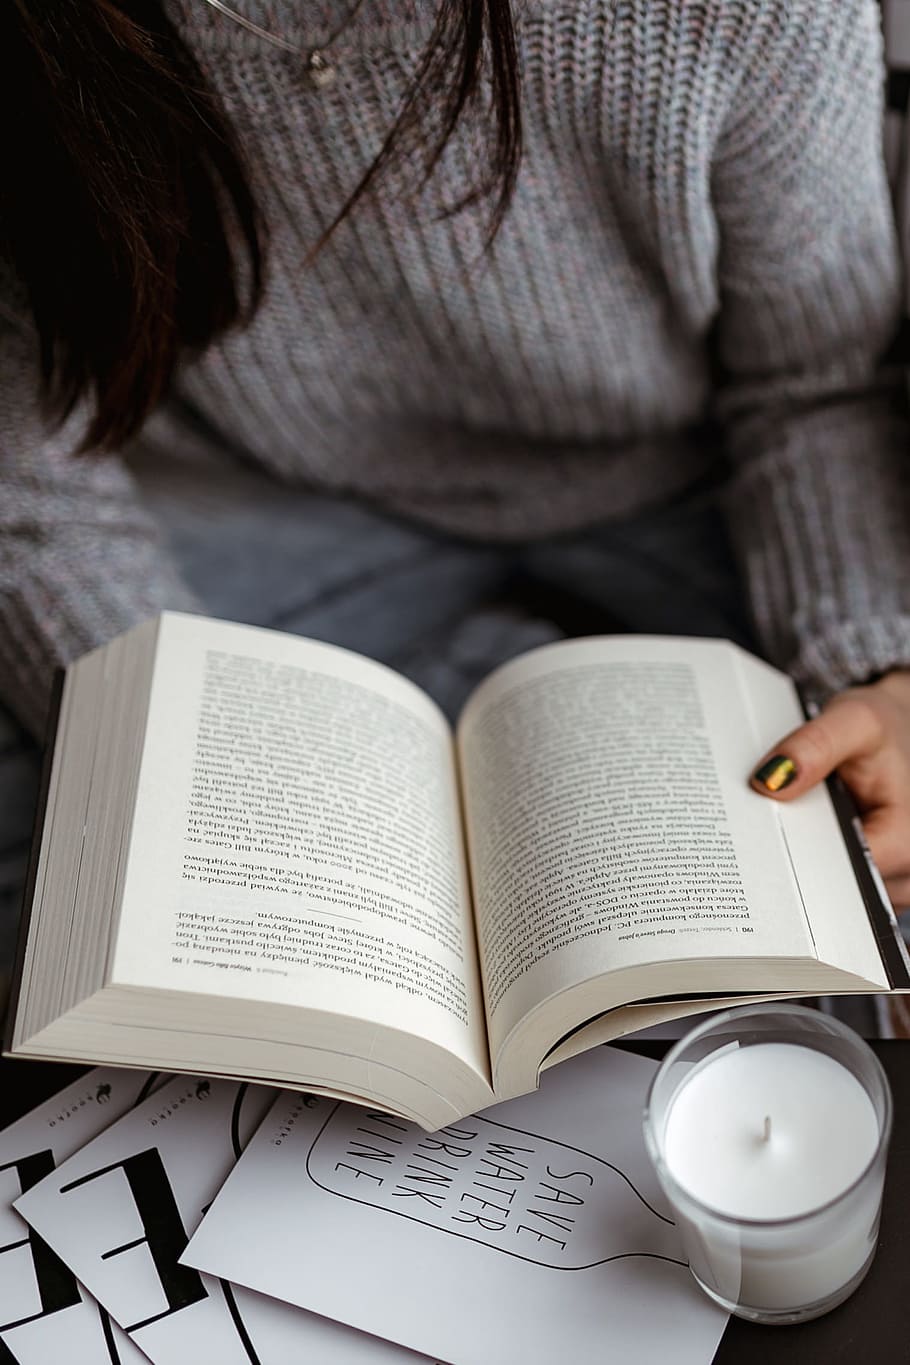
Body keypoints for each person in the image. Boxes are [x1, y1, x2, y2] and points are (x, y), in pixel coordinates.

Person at [2, 0, 910, 977]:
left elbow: (815, 387)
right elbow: (33, 491)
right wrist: (159, 738)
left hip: (700, 483)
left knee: (854, 880)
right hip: (266, 489)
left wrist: (877, 668)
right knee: (74, 869)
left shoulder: (741, 16)